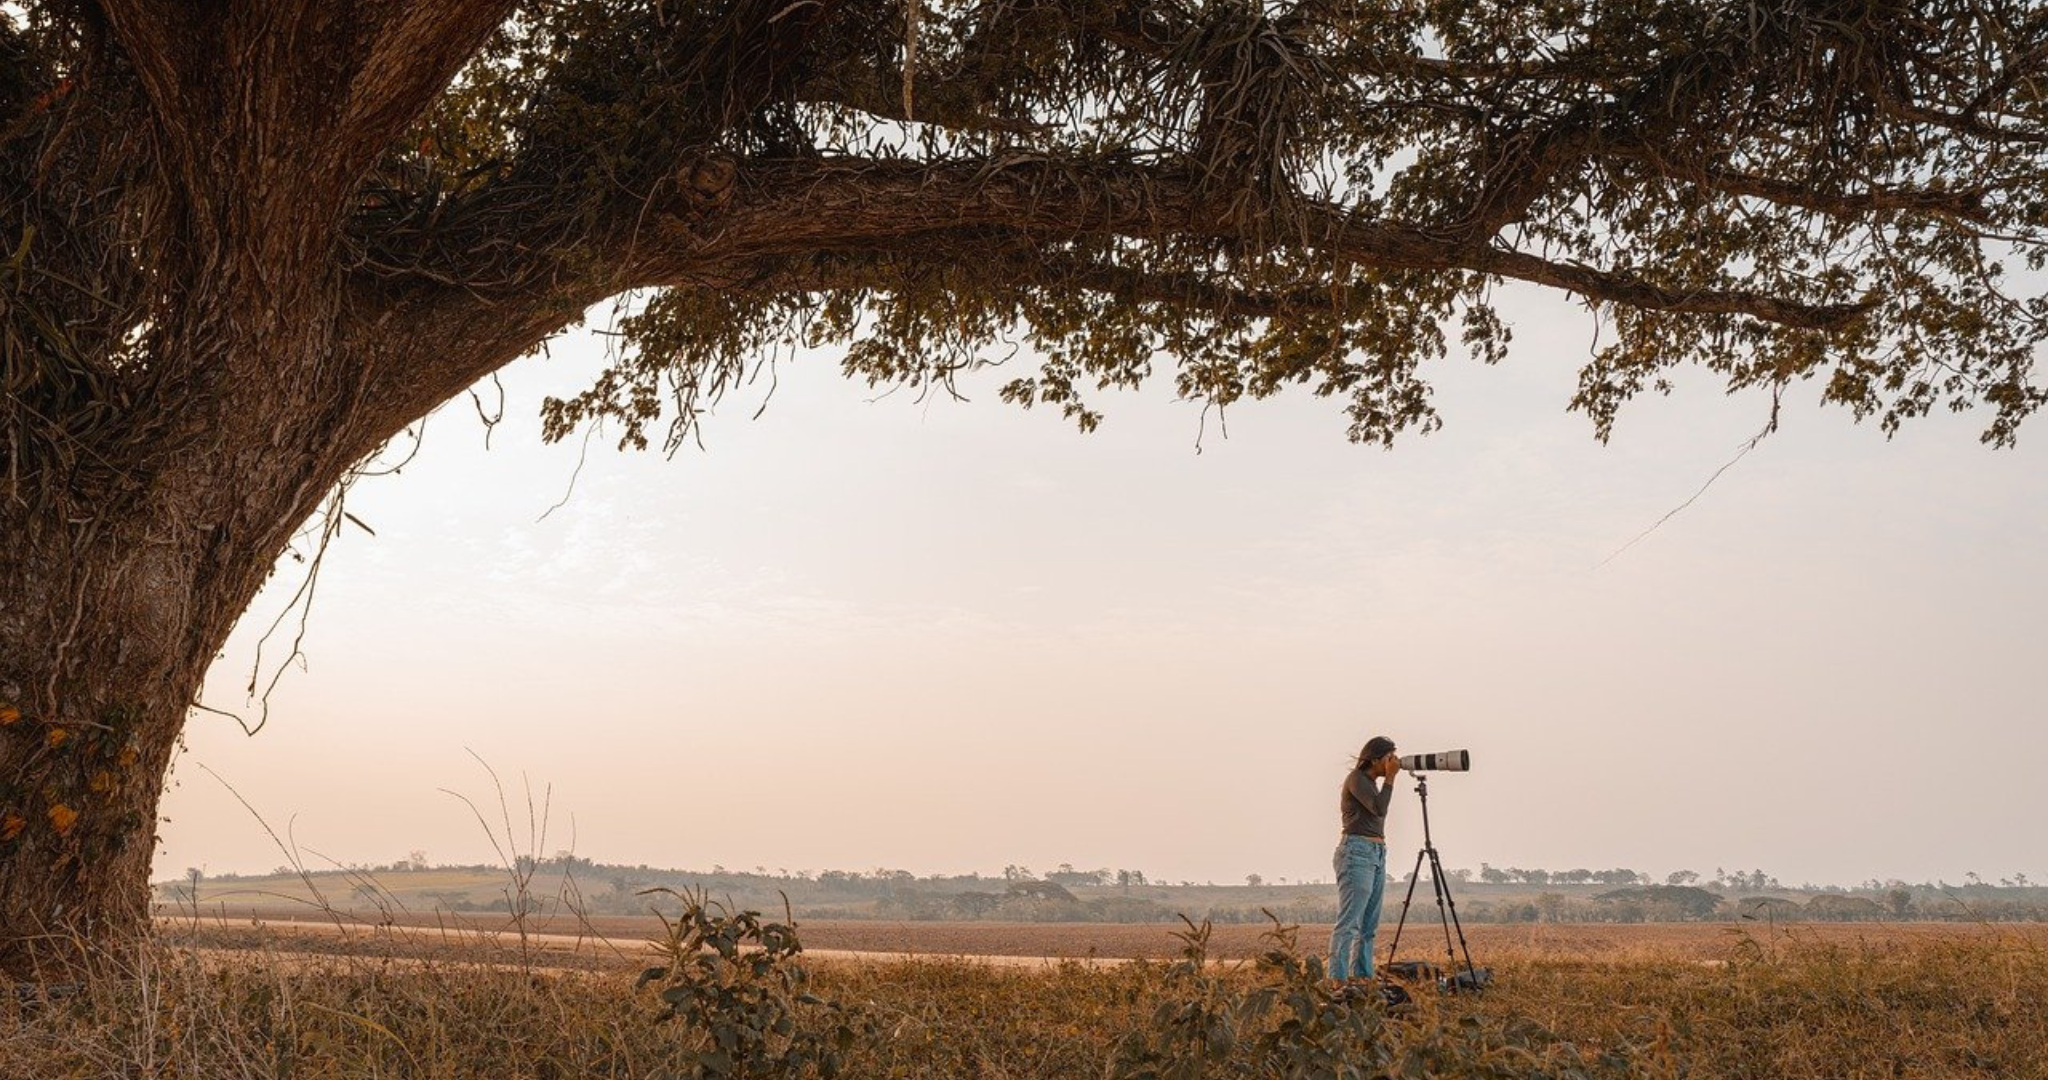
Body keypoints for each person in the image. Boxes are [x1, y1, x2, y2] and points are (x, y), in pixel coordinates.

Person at [1330, 736, 1399, 986]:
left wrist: (1388, 777)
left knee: (1369, 925)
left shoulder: (1371, 783)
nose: (1392, 764)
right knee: (1349, 922)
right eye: (1388, 758)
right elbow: (1380, 809)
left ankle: (1362, 977)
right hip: (1356, 852)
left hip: (1377, 853)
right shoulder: (1357, 780)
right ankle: (1337, 980)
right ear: (1374, 759)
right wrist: (1391, 779)